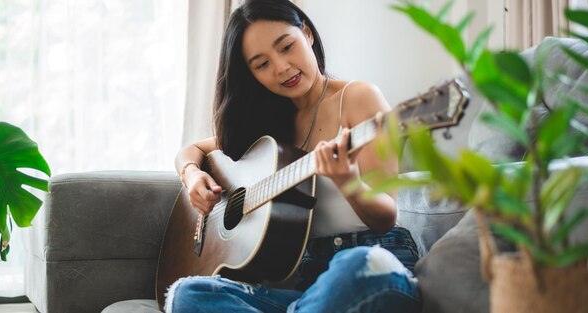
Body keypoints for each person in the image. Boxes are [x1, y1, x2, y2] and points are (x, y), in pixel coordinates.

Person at [167, 0, 421, 312]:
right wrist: (192, 174)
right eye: (262, 65)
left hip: (368, 264)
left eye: (286, 46)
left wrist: (346, 179)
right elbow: (191, 151)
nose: (282, 67)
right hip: (303, 286)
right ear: (251, 76)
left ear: (307, 33)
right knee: (187, 294)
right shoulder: (268, 127)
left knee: (359, 265)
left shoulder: (358, 97)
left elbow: (385, 217)